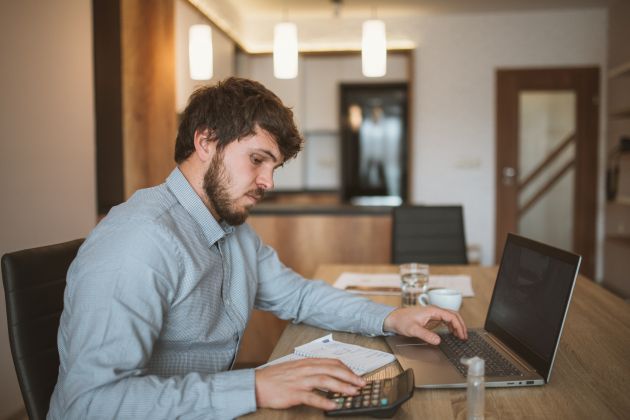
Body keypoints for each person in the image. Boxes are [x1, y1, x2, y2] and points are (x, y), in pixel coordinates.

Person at [47, 77, 467, 420]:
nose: (268, 182)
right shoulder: (138, 242)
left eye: (274, 167)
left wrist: (393, 317)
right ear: (206, 142)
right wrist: (254, 386)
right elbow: (89, 404)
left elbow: (298, 295)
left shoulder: (231, 229)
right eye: (257, 160)